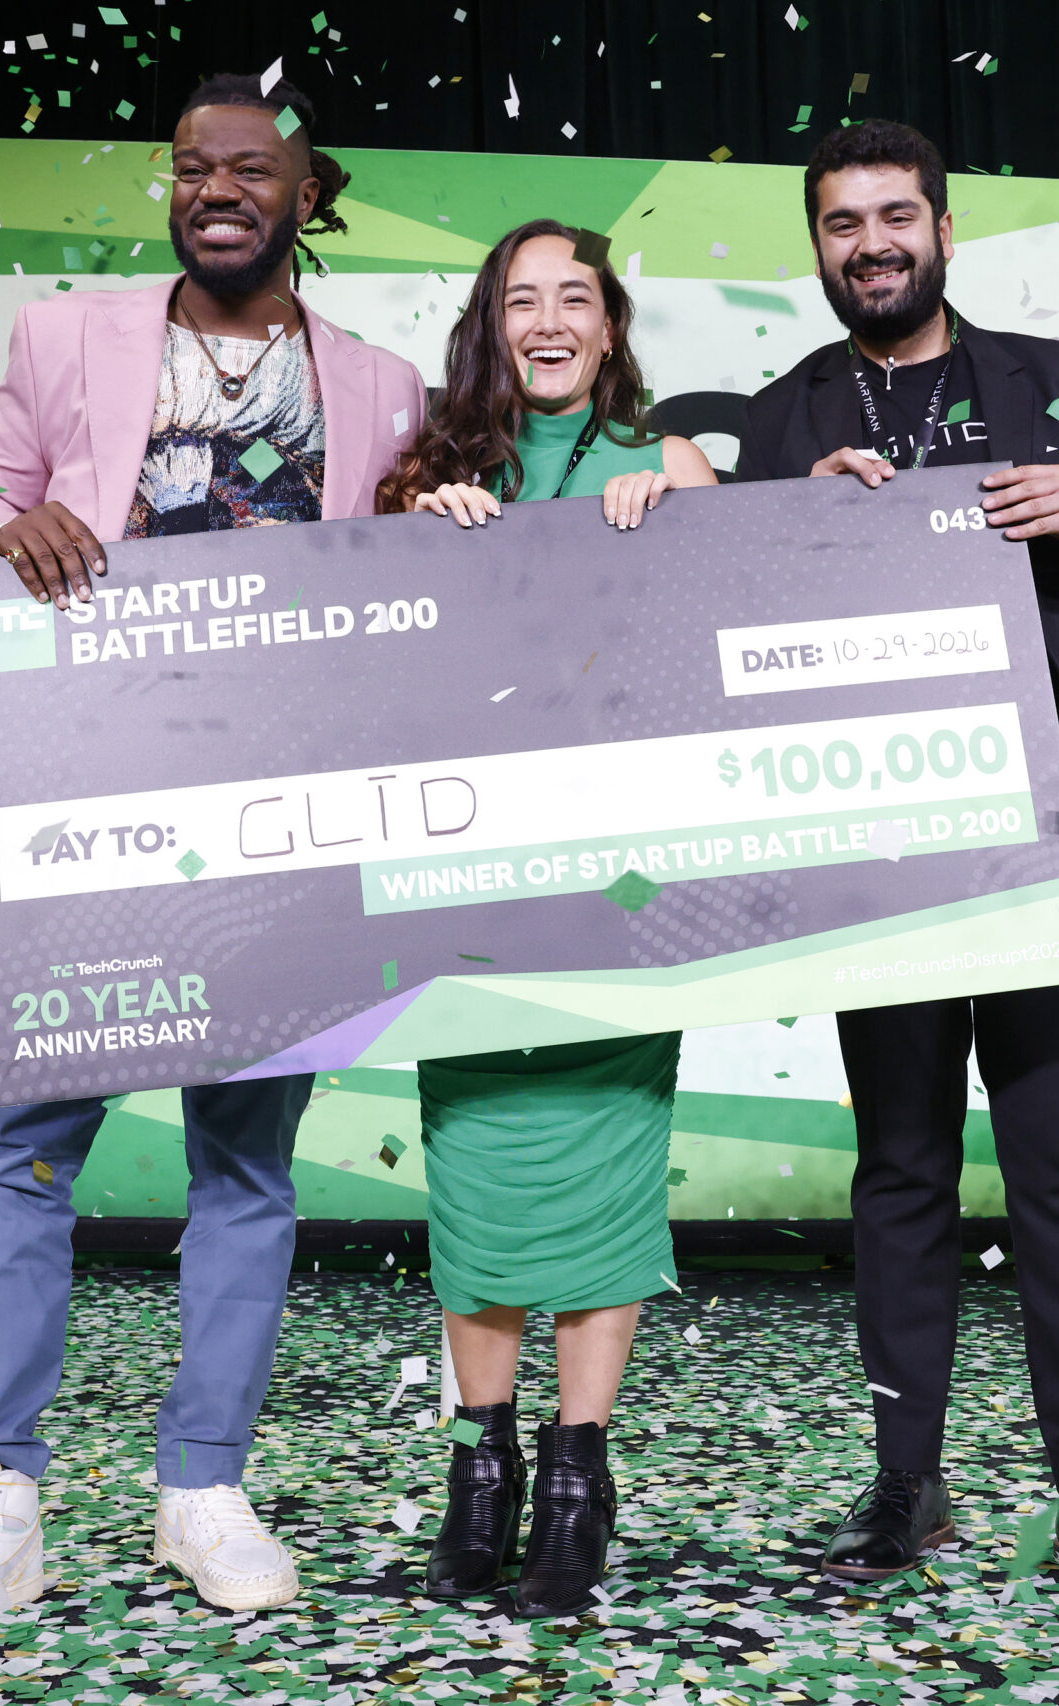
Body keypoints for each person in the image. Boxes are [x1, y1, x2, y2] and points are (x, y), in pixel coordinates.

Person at [0, 73, 426, 1661]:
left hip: (284, 824)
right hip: (84, 799)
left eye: (249, 168)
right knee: (18, 1155)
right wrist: (5, 530)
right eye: (190, 168)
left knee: (249, 1166)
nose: (215, 186)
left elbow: (431, 570)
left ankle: (201, 1487)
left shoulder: (380, 385)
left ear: (307, 192)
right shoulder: (67, 339)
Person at [735, 120, 1059, 1612]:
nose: (871, 243)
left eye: (896, 216)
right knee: (899, 1175)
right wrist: (797, 533)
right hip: (875, 852)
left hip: (1055, 840)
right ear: (817, 248)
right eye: (842, 224)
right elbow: (721, 633)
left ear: (943, 228)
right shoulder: (778, 419)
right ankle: (909, 1482)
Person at [376, 220, 718, 1619]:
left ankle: (579, 1476)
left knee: (604, 1175)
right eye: (523, 299)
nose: (551, 317)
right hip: (468, 892)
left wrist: (683, 533)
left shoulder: (677, 464)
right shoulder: (431, 476)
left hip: (621, 891)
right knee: (480, 1178)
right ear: (492, 326)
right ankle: (483, 1467)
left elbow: (738, 643)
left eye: (575, 294)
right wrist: (415, 545)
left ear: (612, 322)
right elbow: (369, 660)